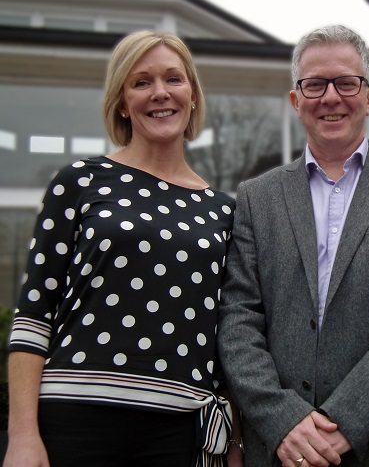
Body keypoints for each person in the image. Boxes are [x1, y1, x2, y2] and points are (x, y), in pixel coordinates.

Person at [3, 30, 242, 467]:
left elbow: (228, 334)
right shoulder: (80, 181)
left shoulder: (224, 212)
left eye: (174, 79)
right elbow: (34, 314)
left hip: (179, 429)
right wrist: (22, 436)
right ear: (121, 101)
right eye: (141, 82)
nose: (160, 93)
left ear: (192, 95)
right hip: (76, 422)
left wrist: (233, 440)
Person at [216, 24, 369, 467]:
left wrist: (342, 424)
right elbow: (238, 318)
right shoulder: (255, 197)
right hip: (280, 448)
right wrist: (283, 420)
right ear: (295, 100)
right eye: (314, 84)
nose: (330, 97)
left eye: (346, 82)